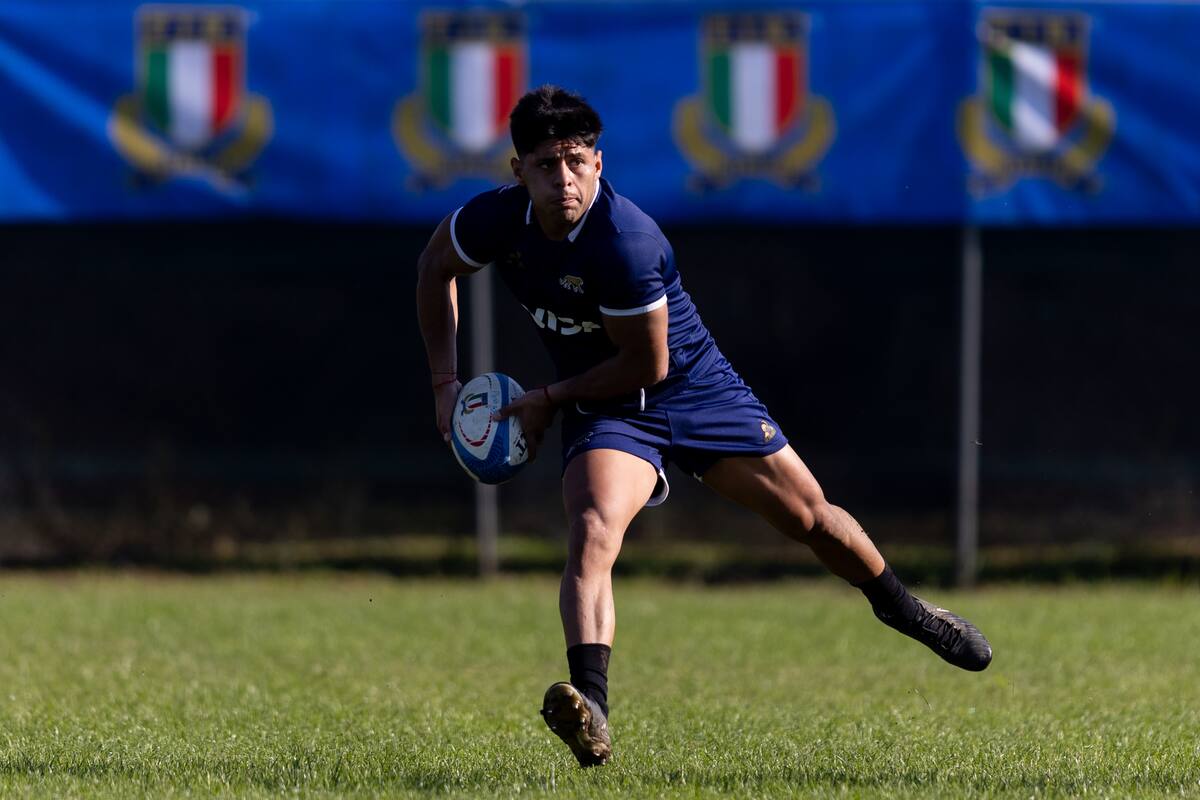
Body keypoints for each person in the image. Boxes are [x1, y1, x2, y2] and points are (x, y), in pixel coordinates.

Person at [416, 85, 991, 768]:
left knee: (810, 518)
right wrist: (445, 385)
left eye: (575, 160)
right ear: (518, 171)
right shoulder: (497, 221)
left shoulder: (626, 242)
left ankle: (903, 607)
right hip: (605, 406)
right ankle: (592, 706)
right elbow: (434, 267)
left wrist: (548, 398)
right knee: (593, 528)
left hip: (689, 387)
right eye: (545, 164)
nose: (563, 178)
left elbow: (646, 363)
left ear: (599, 163)